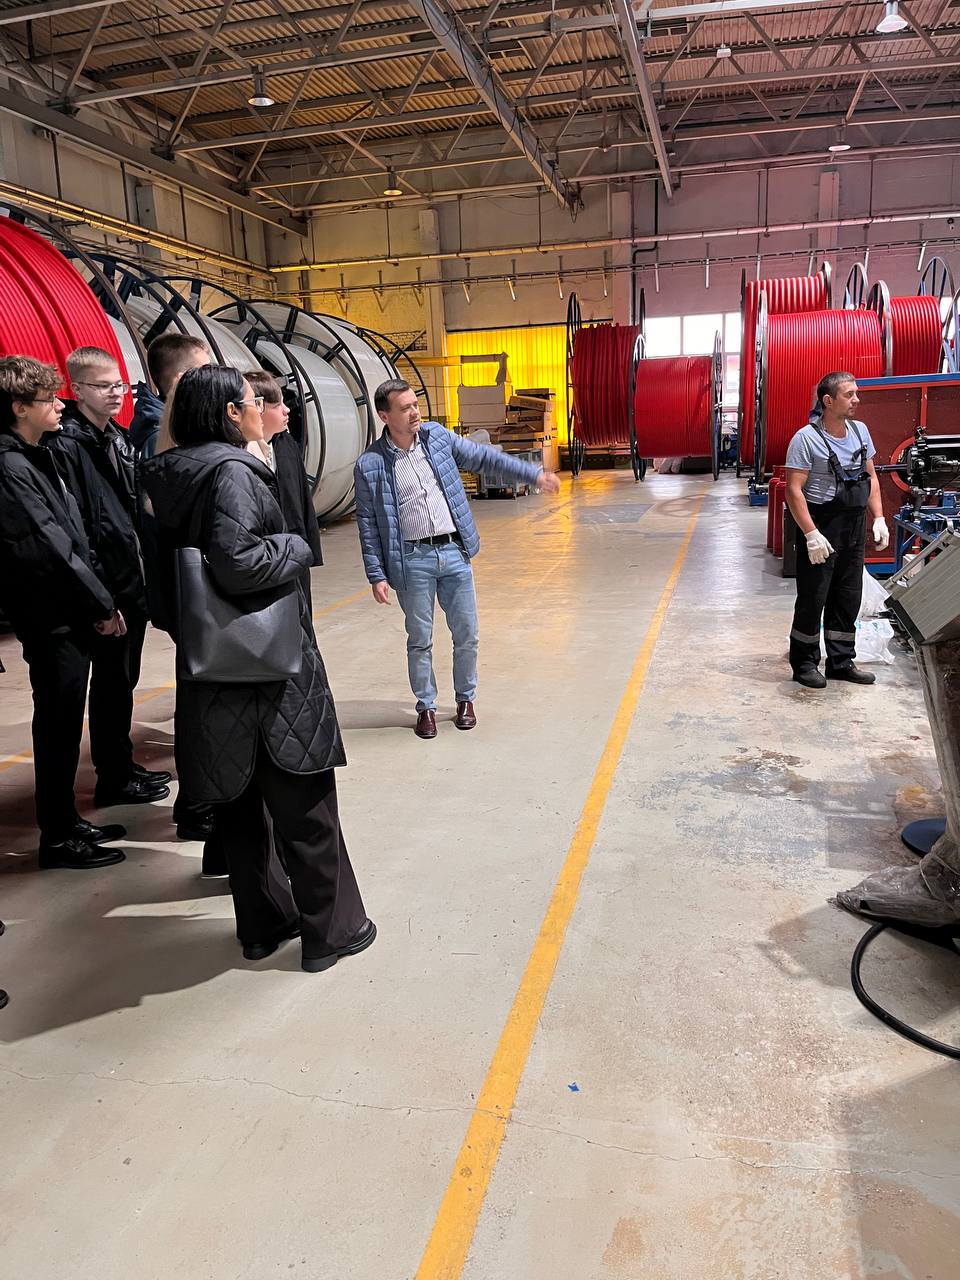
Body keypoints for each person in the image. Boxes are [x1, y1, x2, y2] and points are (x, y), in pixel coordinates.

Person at [140, 366, 375, 973]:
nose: (258, 407)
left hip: (210, 668)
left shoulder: (165, 477)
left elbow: (163, 587)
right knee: (306, 809)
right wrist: (295, 543)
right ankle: (332, 933)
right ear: (230, 413)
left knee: (240, 812)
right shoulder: (234, 473)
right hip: (270, 670)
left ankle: (262, 927)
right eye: (250, 400)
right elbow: (240, 562)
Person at [354, 378, 561, 739]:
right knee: (419, 638)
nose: (415, 412)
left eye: (415, 404)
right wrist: (376, 574)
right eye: (405, 408)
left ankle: (466, 699)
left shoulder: (437, 437)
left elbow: (483, 458)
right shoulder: (370, 464)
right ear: (385, 416)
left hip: (454, 551)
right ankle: (426, 706)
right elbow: (368, 523)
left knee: (467, 633)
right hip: (411, 558)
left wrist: (533, 474)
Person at [0, 356, 127, 869]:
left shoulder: (38, 454)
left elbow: (73, 532)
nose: (59, 405)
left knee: (66, 723)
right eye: (48, 399)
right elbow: (50, 546)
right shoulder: (11, 468)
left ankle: (67, 820)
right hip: (50, 618)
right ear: (18, 407)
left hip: (66, 611)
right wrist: (101, 604)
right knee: (56, 726)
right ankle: (56, 837)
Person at [55, 346, 170, 806]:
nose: (115, 393)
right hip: (106, 588)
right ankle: (112, 776)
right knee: (109, 684)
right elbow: (80, 530)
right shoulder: (69, 445)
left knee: (122, 681)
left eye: (119, 384)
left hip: (127, 581)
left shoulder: (116, 438)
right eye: (103, 386)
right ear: (77, 389)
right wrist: (102, 596)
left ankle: (118, 763)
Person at [785, 370, 890, 689]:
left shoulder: (860, 432)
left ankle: (841, 662)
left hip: (853, 527)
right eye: (849, 394)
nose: (856, 399)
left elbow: (870, 477)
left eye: (856, 393)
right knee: (813, 597)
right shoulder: (805, 439)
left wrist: (879, 517)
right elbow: (793, 490)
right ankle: (804, 663)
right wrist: (810, 534)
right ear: (828, 401)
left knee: (848, 597)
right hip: (821, 526)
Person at [245, 369, 323, 590]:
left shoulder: (285, 444)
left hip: (294, 549)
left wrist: (309, 549)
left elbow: (302, 499)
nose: (286, 409)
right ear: (257, 407)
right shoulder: (241, 454)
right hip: (266, 558)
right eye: (277, 405)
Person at [130, 333, 210, 460]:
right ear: (180, 380)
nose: (212, 377)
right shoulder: (164, 438)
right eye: (205, 372)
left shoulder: (183, 426)